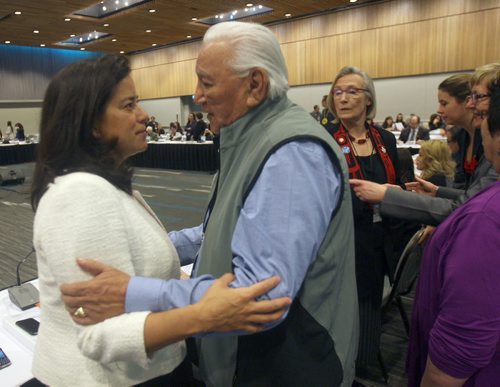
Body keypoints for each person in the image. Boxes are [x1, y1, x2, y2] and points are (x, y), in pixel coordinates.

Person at [59, 22, 358, 387]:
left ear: (254, 85)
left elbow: (260, 296)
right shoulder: (251, 138)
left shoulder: (290, 154)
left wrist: (132, 293)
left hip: (286, 364)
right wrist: (154, 249)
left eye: (207, 82)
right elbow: (224, 228)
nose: (196, 96)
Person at [29, 54, 290, 386]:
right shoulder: (80, 194)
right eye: (128, 106)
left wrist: (190, 288)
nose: (143, 116)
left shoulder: (111, 187)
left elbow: (136, 277)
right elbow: (98, 337)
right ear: (91, 124)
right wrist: (204, 315)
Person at [407, 74, 500, 387]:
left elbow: (463, 340)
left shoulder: (484, 219)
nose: (476, 115)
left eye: (484, 112)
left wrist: (389, 198)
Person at [349, 64, 500, 227]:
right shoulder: (465, 138)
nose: (472, 104)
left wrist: (386, 196)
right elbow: (470, 196)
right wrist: (437, 191)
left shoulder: (492, 145)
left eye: (478, 97)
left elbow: (464, 208)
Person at [325, 65, 399, 378]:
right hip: (345, 238)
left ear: (368, 100)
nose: (343, 98)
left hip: (382, 235)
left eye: (352, 91)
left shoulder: (384, 138)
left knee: (370, 302)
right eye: (337, 92)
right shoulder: (326, 140)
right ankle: (344, 363)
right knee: (345, 305)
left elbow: (398, 181)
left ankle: (364, 359)